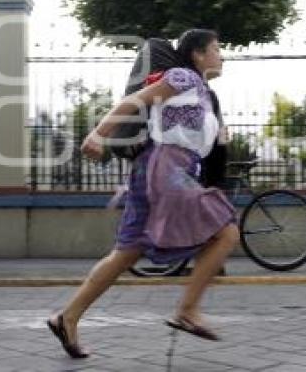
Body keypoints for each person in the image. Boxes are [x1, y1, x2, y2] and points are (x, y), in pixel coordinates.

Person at [47, 29, 239, 359]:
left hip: (155, 172)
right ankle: (187, 310)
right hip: (167, 172)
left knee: (127, 252)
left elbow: (188, 132)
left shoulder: (203, 94)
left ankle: (67, 318)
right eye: (216, 49)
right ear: (197, 53)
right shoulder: (182, 77)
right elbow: (134, 101)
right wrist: (98, 133)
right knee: (227, 231)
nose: (221, 55)